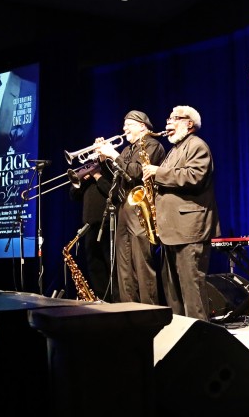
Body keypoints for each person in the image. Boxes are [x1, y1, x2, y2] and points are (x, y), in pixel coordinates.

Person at [142, 106, 220, 319]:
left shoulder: (197, 146)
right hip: (171, 231)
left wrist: (158, 172)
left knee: (191, 288)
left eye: (174, 118)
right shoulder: (174, 150)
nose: (168, 123)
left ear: (189, 124)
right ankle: (180, 335)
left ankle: (200, 337)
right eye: (168, 118)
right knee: (173, 291)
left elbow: (194, 176)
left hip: (189, 229)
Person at [96, 111, 166, 304]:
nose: (124, 128)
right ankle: (129, 311)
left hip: (140, 211)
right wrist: (104, 160)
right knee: (124, 267)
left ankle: (150, 313)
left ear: (143, 126)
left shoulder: (152, 145)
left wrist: (113, 154)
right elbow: (116, 177)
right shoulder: (127, 149)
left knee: (142, 265)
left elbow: (136, 173)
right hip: (123, 209)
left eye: (129, 124)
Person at [68, 157, 117, 301]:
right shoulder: (87, 174)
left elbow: (113, 193)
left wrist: (97, 176)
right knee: (94, 268)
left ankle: (116, 302)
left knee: (111, 267)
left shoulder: (109, 168)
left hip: (107, 225)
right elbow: (73, 195)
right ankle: (102, 300)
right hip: (89, 227)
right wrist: (82, 180)